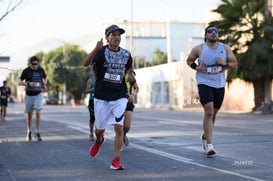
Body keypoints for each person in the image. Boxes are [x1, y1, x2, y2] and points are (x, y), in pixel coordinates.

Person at [83, 24, 135, 170]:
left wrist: (131, 74)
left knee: (119, 127)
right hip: (101, 96)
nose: (117, 37)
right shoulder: (101, 53)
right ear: (107, 38)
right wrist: (95, 49)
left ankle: (116, 160)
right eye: (113, 35)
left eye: (119, 35)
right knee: (99, 130)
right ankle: (99, 140)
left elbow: (129, 67)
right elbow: (85, 63)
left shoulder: (126, 54)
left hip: (119, 95)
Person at [186, 24, 238, 155]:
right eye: (210, 31)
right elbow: (189, 60)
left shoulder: (225, 48)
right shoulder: (199, 49)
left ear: (218, 35)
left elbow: (235, 64)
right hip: (204, 83)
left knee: (213, 115)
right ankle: (209, 145)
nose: (213, 33)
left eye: (216, 31)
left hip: (219, 85)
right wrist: (196, 67)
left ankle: (205, 136)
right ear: (206, 35)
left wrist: (224, 64)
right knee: (208, 111)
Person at [18, 56, 47, 141]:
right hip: (29, 95)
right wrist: (28, 84)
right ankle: (29, 131)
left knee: (38, 111)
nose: (35, 66)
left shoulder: (41, 70)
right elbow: (19, 82)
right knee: (30, 114)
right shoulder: (26, 71)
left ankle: (37, 132)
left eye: (37, 64)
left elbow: (45, 78)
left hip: (38, 94)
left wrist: (44, 83)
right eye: (34, 64)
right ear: (30, 64)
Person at [123, 72, 139, 147]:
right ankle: (119, 144)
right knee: (119, 125)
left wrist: (133, 95)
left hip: (128, 102)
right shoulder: (117, 72)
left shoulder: (130, 75)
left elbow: (136, 88)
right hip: (117, 101)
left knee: (127, 126)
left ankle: (123, 134)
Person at [85, 69, 96, 141]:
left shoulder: (102, 79)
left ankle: (99, 133)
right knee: (93, 118)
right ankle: (91, 133)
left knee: (100, 118)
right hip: (92, 101)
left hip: (101, 100)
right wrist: (93, 89)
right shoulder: (90, 80)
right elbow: (86, 91)